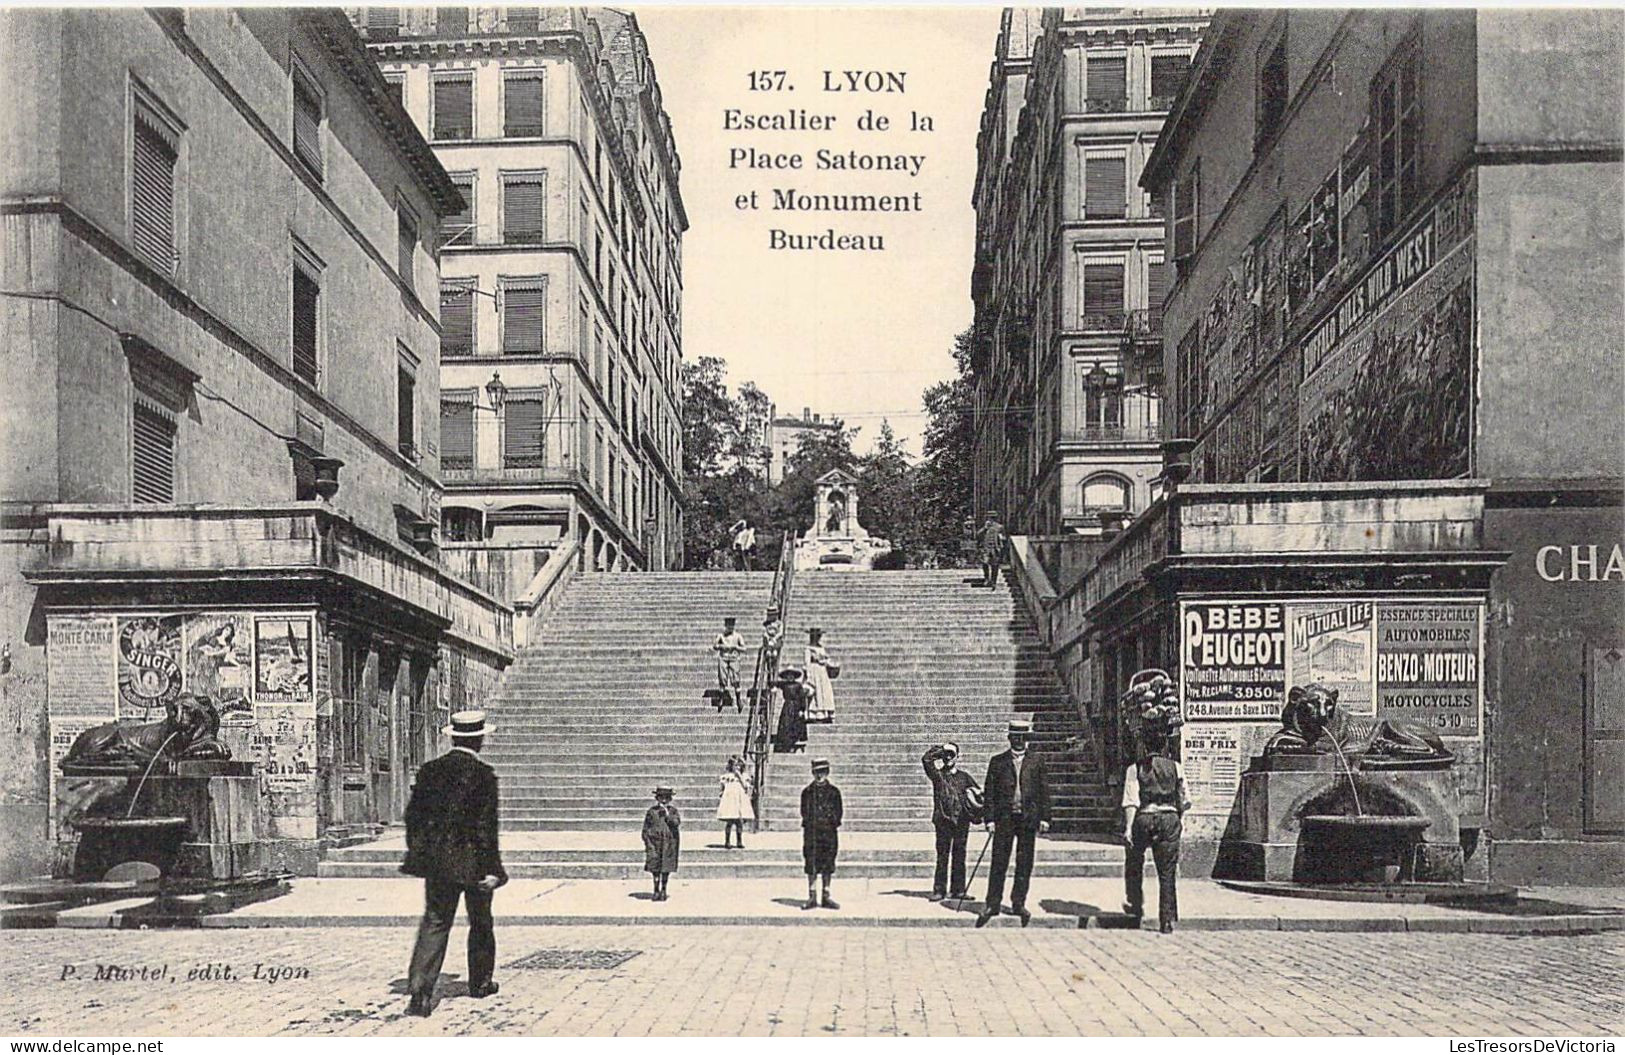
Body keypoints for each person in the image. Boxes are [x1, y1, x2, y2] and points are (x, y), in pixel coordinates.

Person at [401, 710, 507, 1017]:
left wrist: (423, 854)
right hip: (474, 864)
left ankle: (420, 994)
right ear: (478, 739)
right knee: (481, 922)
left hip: (439, 865)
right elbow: (486, 828)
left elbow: (413, 818)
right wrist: (494, 870)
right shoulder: (484, 776)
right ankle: (480, 982)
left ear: (455, 737)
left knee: (435, 922)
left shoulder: (430, 771)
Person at [976, 717, 1051, 927]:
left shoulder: (1037, 761)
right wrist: (989, 819)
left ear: (1027, 739)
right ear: (1010, 738)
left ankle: (1018, 903)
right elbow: (989, 793)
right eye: (1015, 737)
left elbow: (1044, 791)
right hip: (1004, 819)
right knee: (999, 861)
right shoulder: (998, 762)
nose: (1019, 741)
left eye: (1023, 737)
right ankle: (992, 903)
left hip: (1027, 818)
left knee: (1024, 862)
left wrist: (1045, 817)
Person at [1122, 727, 1190, 934]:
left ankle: (1135, 904)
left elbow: (1131, 801)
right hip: (1169, 818)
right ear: (1164, 746)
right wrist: (1178, 820)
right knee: (1167, 872)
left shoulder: (1135, 768)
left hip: (1144, 817)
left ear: (1144, 746)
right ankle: (1167, 919)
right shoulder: (1176, 767)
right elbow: (1185, 800)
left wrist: (1128, 828)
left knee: (1134, 860)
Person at [922, 742, 982, 902]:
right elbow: (926, 760)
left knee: (959, 855)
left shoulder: (965, 777)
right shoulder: (938, 776)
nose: (948, 758)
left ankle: (958, 890)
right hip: (943, 820)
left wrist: (977, 794)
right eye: (945, 755)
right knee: (942, 856)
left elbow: (979, 795)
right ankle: (939, 891)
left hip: (961, 821)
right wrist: (940, 750)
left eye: (951, 754)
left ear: (957, 757)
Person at [800, 756, 843, 909]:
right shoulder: (807, 792)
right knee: (811, 863)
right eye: (817, 772)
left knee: (828, 864)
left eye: (823, 772)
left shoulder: (834, 792)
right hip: (812, 833)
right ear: (812, 773)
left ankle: (826, 895)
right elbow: (804, 812)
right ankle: (812, 896)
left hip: (828, 833)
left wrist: (830, 822)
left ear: (827, 772)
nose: (820, 775)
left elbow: (839, 812)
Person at [643, 786, 681, 901]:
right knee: (655, 867)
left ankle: (664, 889)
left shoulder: (673, 811)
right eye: (661, 798)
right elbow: (645, 828)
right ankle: (655, 890)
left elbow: (676, 823)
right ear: (657, 798)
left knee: (665, 867)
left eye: (666, 798)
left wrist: (667, 814)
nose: (663, 801)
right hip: (655, 843)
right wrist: (647, 841)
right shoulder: (651, 811)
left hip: (669, 843)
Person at [717, 755, 754, 849]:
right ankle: (727, 841)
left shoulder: (743, 777)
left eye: (739, 766)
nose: (737, 768)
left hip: (740, 799)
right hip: (731, 800)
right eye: (735, 765)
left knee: (739, 822)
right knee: (730, 821)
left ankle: (739, 841)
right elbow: (723, 787)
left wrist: (740, 776)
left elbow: (746, 786)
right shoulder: (727, 777)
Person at [713, 617, 747, 711]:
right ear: (725, 626)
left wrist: (736, 647)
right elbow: (714, 645)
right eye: (728, 626)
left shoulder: (738, 636)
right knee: (722, 678)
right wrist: (721, 646)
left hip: (734, 659)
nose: (730, 628)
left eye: (732, 626)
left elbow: (744, 648)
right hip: (723, 658)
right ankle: (721, 699)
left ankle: (738, 700)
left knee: (736, 679)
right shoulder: (721, 635)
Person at [804, 628, 838, 723]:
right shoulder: (808, 648)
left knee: (824, 690)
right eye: (814, 636)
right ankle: (814, 713)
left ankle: (825, 712)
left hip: (822, 671)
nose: (817, 638)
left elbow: (825, 658)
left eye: (818, 636)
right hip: (814, 669)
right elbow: (807, 662)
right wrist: (808, 674)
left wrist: (827, 661)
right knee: (816, 690)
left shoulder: (821, 648)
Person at [772, 667, 809, 753]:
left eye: (792, 675)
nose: (790, 677)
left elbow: (802, 697)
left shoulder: (798, 685)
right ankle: (786, 745)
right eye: (788, 675)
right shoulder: (784, 685)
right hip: (787, 706)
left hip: (796, 707)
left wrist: (802, 709)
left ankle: (794, 744)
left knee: (796, 726)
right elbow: (775, 683)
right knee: (786, 725)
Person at [979, 510, 1007, 588]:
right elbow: (978, 535)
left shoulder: (999, 527)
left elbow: (1004, 538)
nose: (990, 519)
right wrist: (985, 528)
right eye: (989, 518)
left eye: (992, 518)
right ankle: (987, 579)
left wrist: (1001, 541)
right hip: (986, 548)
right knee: (985, 563)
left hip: (995, 548)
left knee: (995, 566)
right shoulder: (985, 526)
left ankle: (993, 581)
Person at [761, 609, 784, 679]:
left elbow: (780, 633)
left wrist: (775, 638)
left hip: (776, 640)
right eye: (770, 615)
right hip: (769, 640)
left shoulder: (779, 623)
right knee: (769, 644)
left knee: (774, 653)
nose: (771, 616)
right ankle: (769, 651)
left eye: (773, 615)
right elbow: (764, 632)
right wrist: (768, 637)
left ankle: (774, 652)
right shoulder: (766, 624)